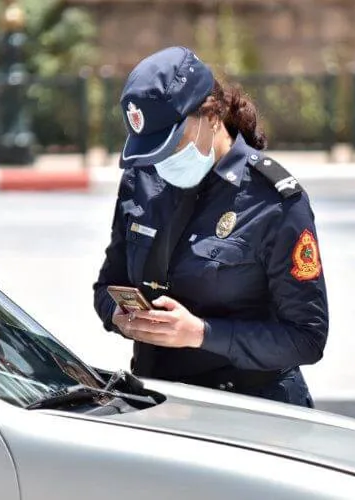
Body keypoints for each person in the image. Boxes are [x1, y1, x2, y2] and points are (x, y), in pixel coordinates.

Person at [92, 46, 328, 408]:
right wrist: (120, 317)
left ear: (212, 115)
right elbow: (107, 286)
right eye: (152, 149)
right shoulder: (141, 179)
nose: (162, 161)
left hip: (251, 409)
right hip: (160, 404)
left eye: (172, 144)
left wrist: (201, 334)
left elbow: (307, 338)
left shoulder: (273, 200)